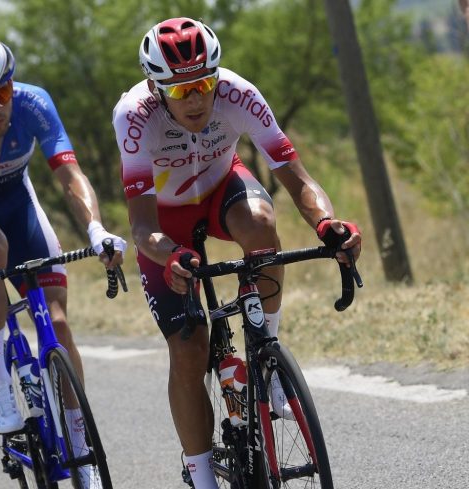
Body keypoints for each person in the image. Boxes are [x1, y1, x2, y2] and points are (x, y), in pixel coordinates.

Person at [113, 17, 362, 488]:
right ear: (154, 86)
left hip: (222, 189)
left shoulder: (238, 93)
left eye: (204, 84)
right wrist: (170, 256)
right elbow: (142, 226)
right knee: (188, 348)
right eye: (181, 90)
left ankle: (265, 352)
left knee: (262, 225)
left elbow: (298, 178)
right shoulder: (134, 115)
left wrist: (329, 226)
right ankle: (203, 476)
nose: (198, 99)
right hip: (165, 222)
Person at [0, 35, 126, 476]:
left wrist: (95, 227)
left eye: (2, 93)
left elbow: (69, 174)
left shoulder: (34, 104)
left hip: (19, 204)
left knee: (58, 323)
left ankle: (78, 441)